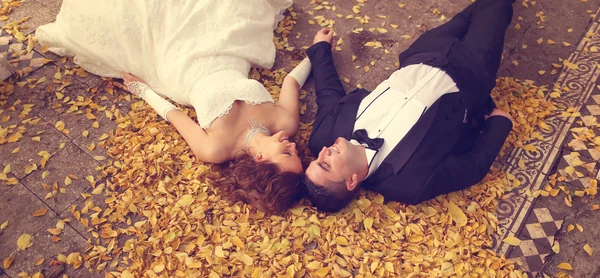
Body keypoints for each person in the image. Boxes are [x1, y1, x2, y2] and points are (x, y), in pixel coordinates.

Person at [36, 0, 312, 214]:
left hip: (182, 69)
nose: (293, 146)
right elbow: (291, 81)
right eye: (296, 152)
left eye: (288, 154)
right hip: (229, 49)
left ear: (263, 162)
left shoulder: (216, 149)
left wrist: (142, 89)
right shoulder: (285, 123)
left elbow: (176, 116)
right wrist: (318, 52)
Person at [304, 0, 516, 212]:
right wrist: (498, 126)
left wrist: (320, 49)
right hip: (471, 71)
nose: (323, 152)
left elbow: (328, 93)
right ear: (351, 181)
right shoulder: (409, 183)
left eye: (317, 159)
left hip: (425, 51)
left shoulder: (323, 135)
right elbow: (470, 169)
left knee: (475, 11)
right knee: (496, 7)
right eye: (325, 164)